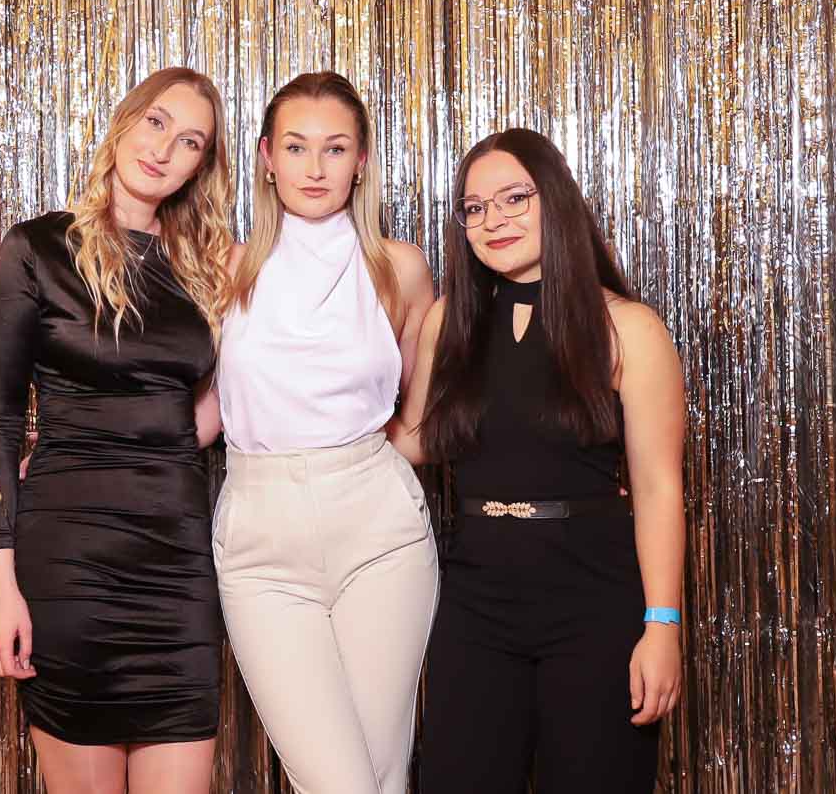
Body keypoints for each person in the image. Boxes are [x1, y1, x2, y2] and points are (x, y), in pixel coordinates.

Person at [390, 129, 686, 793]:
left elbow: (658, 488)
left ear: (555, 199)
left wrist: (662, 625)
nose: (493, 219)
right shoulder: (449, 321)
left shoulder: (628, 328)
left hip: (594, 603)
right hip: (476, 599)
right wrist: (317, 398)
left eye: (514, 198)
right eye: (474, 207)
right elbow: (415, 440)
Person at [0, 67, 235, 794]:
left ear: (201, 166)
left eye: (190, 141)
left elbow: (201, 415)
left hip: (177, 564)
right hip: (71, 564)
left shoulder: (206, 268)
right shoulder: (37, 249)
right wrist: (0, 586)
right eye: (156, 122)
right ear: (124, 121)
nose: (163, 149)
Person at [209, 71, 439, 794]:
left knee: (382, 774)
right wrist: (80, 444)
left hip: (379, 528)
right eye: (296, 147)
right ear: (266, 158)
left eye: (335, 148)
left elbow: (419, 420)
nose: (315, 167)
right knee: (339, 782)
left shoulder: (399, 268)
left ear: (361, 161)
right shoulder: (225, 268)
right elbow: (197, 411)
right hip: (260, 534)